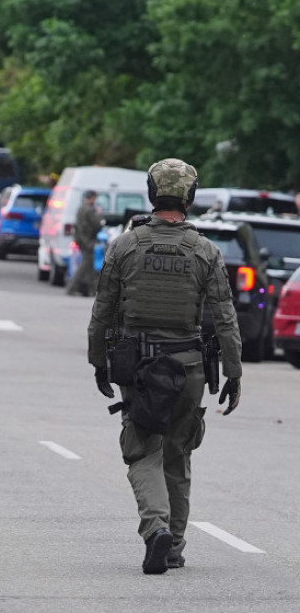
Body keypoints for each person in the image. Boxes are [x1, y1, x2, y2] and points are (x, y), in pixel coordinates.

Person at [88, 158, 242, 574]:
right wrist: (233, 371)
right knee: (178, 454)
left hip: (138, 365)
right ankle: (172, 546)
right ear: (189, 198)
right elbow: (224, 316)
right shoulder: (205, 251)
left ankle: (155, 528)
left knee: (143, 452)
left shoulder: (125, 245)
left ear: (152, 194)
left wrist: (98, 362)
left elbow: (102, 310)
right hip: (189, 367)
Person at [67, 190, 104, 296]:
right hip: (87, 240)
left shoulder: (81, 207)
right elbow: (97, 224)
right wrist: (100, 214)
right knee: (85, 265)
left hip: (81, 239)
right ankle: (72, 287)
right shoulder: (89, 210)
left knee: (89, 265)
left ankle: (91, 290)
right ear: (91, 198)